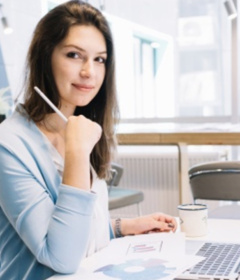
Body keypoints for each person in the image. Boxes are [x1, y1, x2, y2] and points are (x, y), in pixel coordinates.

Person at [0, 1, 177, 279]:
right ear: (45, 57)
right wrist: (78, 153)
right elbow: (62, 256)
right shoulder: (8, 146)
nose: (89, 72)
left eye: (99, 59)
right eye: (74, 55)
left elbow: (70, 226)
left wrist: (121, 226)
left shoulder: (79, 126)